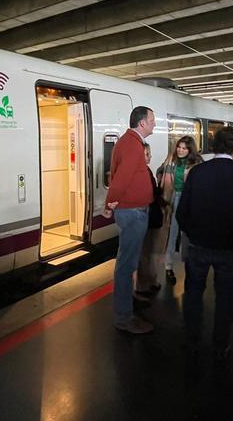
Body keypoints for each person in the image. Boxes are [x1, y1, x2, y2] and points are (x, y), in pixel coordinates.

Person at [177, 126, 233, 360]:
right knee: (226, 296)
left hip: (199, 246)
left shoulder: (198, 173)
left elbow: (182, 212)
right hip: (230, 248)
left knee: (193, 293)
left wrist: (192, 234)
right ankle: (220, 344)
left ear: (214, 146)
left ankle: (191, 340)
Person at [103, 106, 156, 334]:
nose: (155, 123)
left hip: (133, 211)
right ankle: (124, 317)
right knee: (126, 265)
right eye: (152, 120)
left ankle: (129, 300)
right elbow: (121, 179)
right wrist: (109, 204)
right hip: (132, 212)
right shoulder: (133, 144)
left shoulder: (128, 142)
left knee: (129, 261)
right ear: (142, 123)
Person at [160, 136, 202, 285]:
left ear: (190, 150)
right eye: (179, 147)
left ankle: (189, 265)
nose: (180, 150)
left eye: (184, 148)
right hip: (173, 199)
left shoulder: (197, 162)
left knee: (188, 234)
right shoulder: (171, 160)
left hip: (189, 199)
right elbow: (160, 172)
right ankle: (168, 266)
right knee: (172, 233)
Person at [135, 143, 165, 300]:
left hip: (146, 217)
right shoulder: (142, 172)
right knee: (146, 252)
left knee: (147, 251)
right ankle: (143, 285)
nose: (149, 157)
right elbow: (149, 194)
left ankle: (149, 281)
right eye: (147, 154)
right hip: (146, 217)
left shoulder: (143, 171)